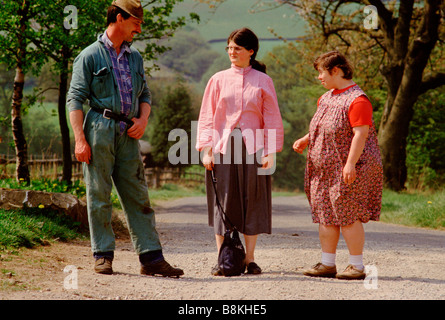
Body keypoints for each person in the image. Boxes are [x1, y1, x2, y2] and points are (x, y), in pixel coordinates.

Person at [67, 0, 183, 278]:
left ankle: (151, 258)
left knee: (139, 196)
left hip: (129, 132)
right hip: (99, 129)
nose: (139, 29)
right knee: (98, 194)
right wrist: (80, 140)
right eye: (136, 23)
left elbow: (145, 95)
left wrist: (143, 120)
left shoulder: (135, 58)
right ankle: (103, 255)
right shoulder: (89, 56)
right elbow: (75, 98)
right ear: (119, 18)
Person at [196, 27, 284, 275]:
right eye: (229, 48)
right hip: (222, 147)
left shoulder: (264, 81)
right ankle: (222, 258)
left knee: (252, 200)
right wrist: (206, 150)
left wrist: (270, 151)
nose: (232, 52)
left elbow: (272, 118)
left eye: (237, 48)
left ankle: (250, 259)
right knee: (223, 202)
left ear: (250, 51)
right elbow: (206, 117)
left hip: (254, 148)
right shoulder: (217, 79)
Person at [293, 51, 383, 280]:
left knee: (347, 215)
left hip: (348, 169)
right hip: (324, 170)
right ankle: (327, 263)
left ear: (336, 71)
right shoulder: (326, 97)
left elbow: (361, 134)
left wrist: (350, 164)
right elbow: (322, 126)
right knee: (326, 215)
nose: (319, 77)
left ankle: (356, 266)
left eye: (321, 72)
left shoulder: (357, 99)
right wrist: (306, 139)